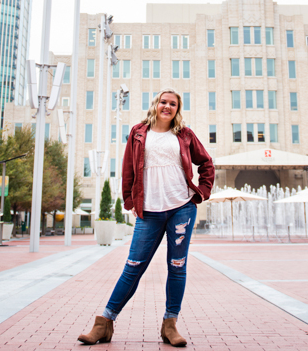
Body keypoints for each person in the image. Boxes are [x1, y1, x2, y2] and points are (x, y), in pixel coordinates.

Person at [78, 88, 215, 347]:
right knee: (133, 267)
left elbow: (206, 163)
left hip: (181, 208)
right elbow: (128, 167)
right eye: (163, 102)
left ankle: (170, 324)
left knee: (177, 267)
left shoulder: (184, 134)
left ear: (177, 109)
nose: (167, 106)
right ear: (155, 104)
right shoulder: (139, 132)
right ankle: (104, 323)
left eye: (173, 104)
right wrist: (130, 200)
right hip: (149, 211)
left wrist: (202, 193)